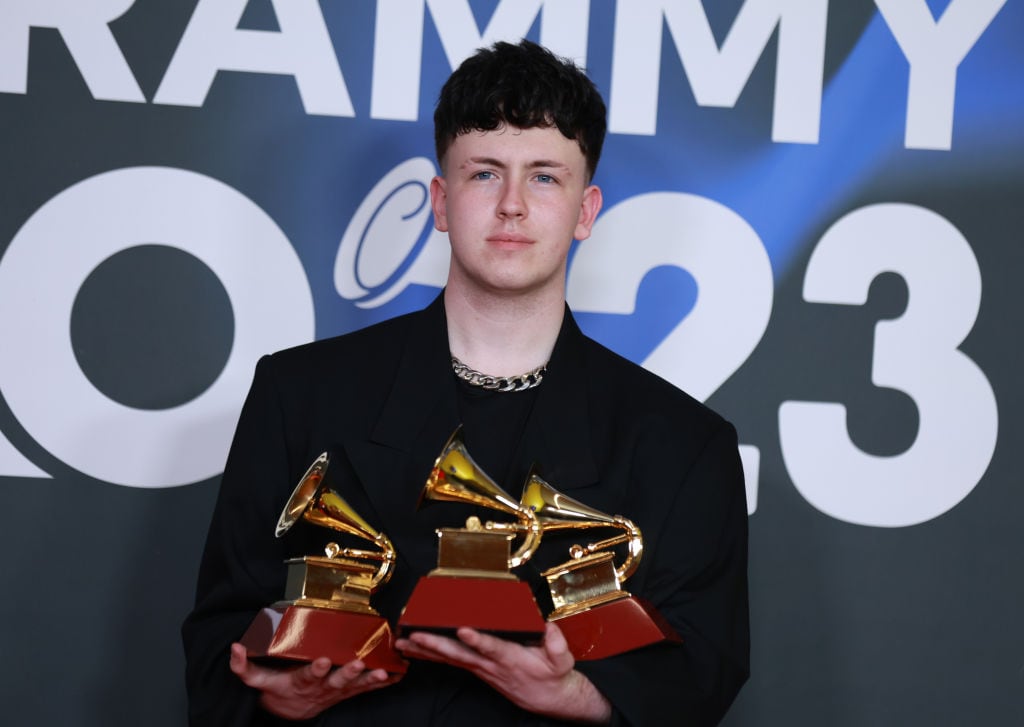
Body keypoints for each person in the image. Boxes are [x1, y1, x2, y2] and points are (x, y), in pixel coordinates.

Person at [182, 39, 749, 726]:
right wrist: (277, 694)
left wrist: (581, 696)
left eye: (544, 177)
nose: (512, 205)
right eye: (485, 174)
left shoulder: (686, 444)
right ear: (442, 202)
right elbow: (219, 635)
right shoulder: (295, 394)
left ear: (587, 209)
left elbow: (705, 669)